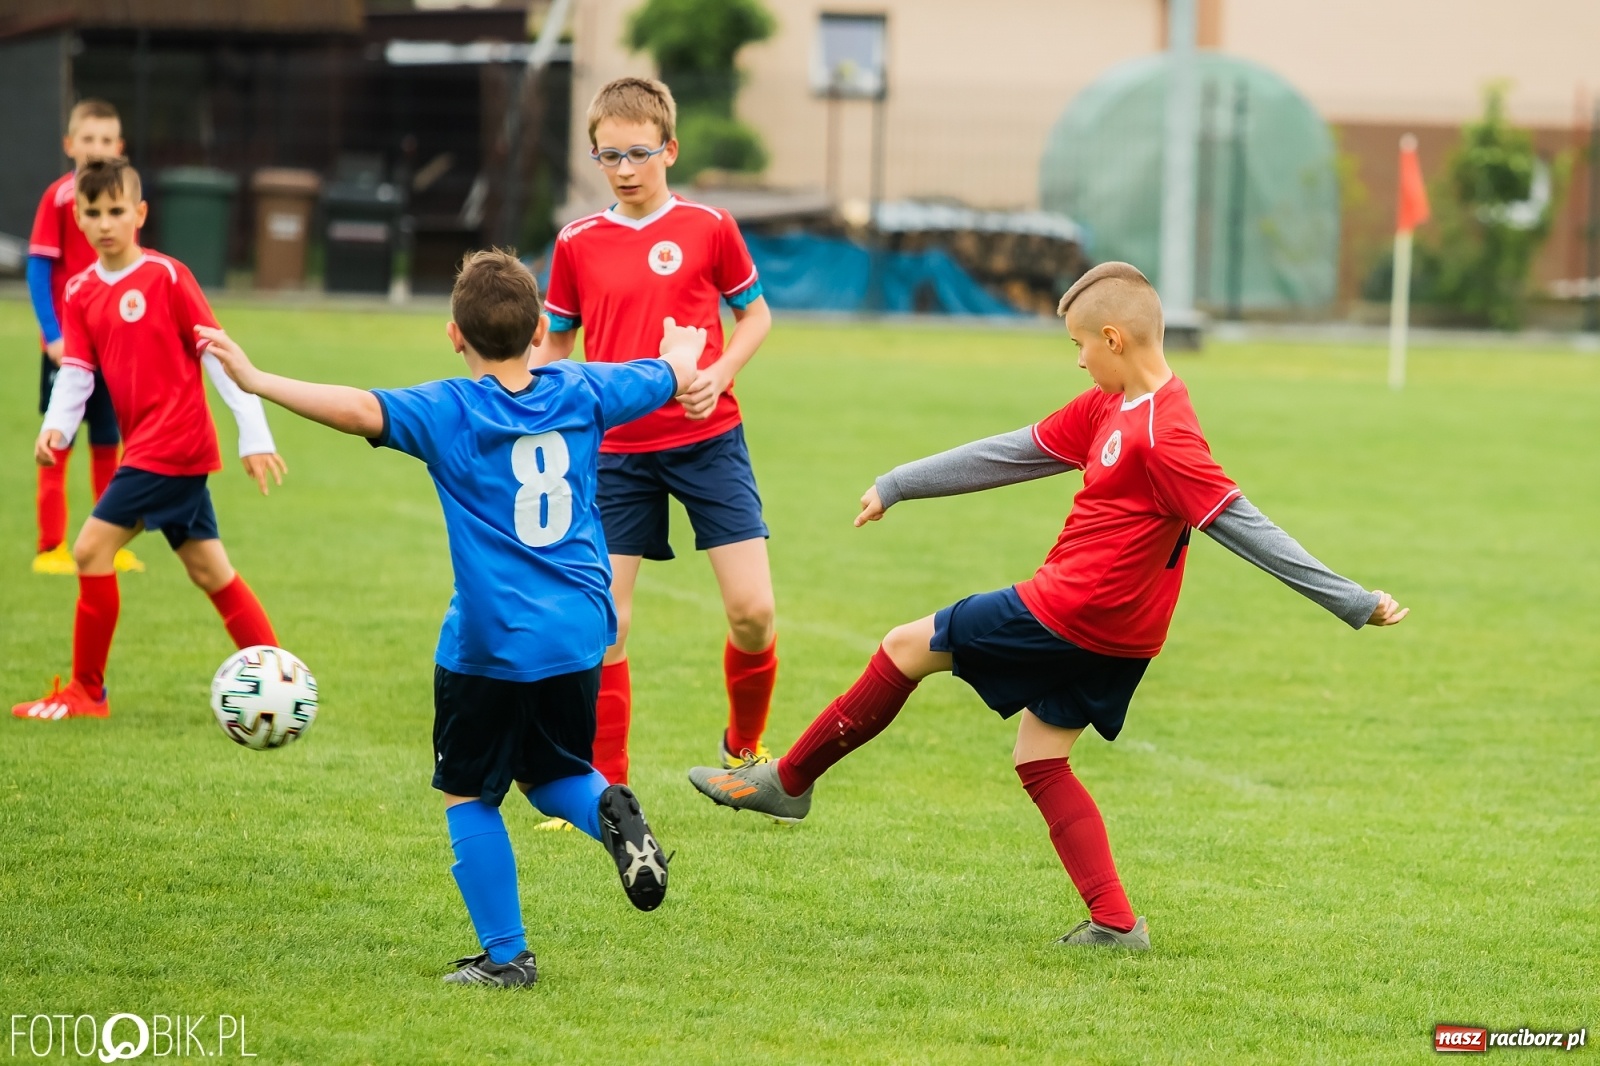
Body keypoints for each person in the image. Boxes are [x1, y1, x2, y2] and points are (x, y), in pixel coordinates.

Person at [689, 262, 1409, 951]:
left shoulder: (1164, 433)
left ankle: (787, 782)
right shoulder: (1113, 405)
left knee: (906, 646)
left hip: (1072, 610)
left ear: (1115, 341)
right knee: (1041, 759)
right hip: (1121, 635)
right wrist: (903, 482)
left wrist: (1351, 600)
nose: (1078, 362)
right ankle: (1117, 924)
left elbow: (1246, 527)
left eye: (1080, 346)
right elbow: (1016, 452)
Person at [199, 248, 706, 986]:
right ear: (540, 332)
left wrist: (255, 381)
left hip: (491, 643)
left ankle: (507, 958)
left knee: (470, 792)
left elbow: (354, 407)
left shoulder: (449, 409)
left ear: (453, 335)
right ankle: (610, 808)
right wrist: (679, 356)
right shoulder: (584, 387)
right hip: (580, 631)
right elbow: (667, 376)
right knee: (552, 770)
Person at [539, 76, 778, 799]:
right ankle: (605, 788)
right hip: (614, 455)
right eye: (607, 157)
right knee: (606, 624)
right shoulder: (576, 242)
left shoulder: (710, 227)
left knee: (754, 614)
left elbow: (756, 316)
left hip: (709, 441)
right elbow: (556, 347)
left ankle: (743, 746)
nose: (624, 170)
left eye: (638, 153)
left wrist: (721, 370)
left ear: (669, 149)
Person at [12, 158, 286, 722]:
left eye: (117, 210)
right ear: (80, 222)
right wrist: (56, 429)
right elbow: (79, 372)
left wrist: (253, 434)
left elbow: (219, 355)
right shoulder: (83, 290)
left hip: (173, 446)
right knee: (211, 570)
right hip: (156, 452)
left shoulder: (166, 276)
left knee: (89, 550)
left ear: (139, 213)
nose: (106, 222)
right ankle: (282, 681)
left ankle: (87, 693)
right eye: (94, 213)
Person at [26, 99, 140, 575]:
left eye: (105, 141)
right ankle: (51, 546)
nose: (95, 149)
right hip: (67, 348)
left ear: (119, 147)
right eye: (86, 140)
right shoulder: (59, 198)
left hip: (109, 350)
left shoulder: (123, 203)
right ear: (70, 145)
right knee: (58, 444)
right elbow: (38, 269)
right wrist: (52, 335)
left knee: (107, 446)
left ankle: (108, 543)